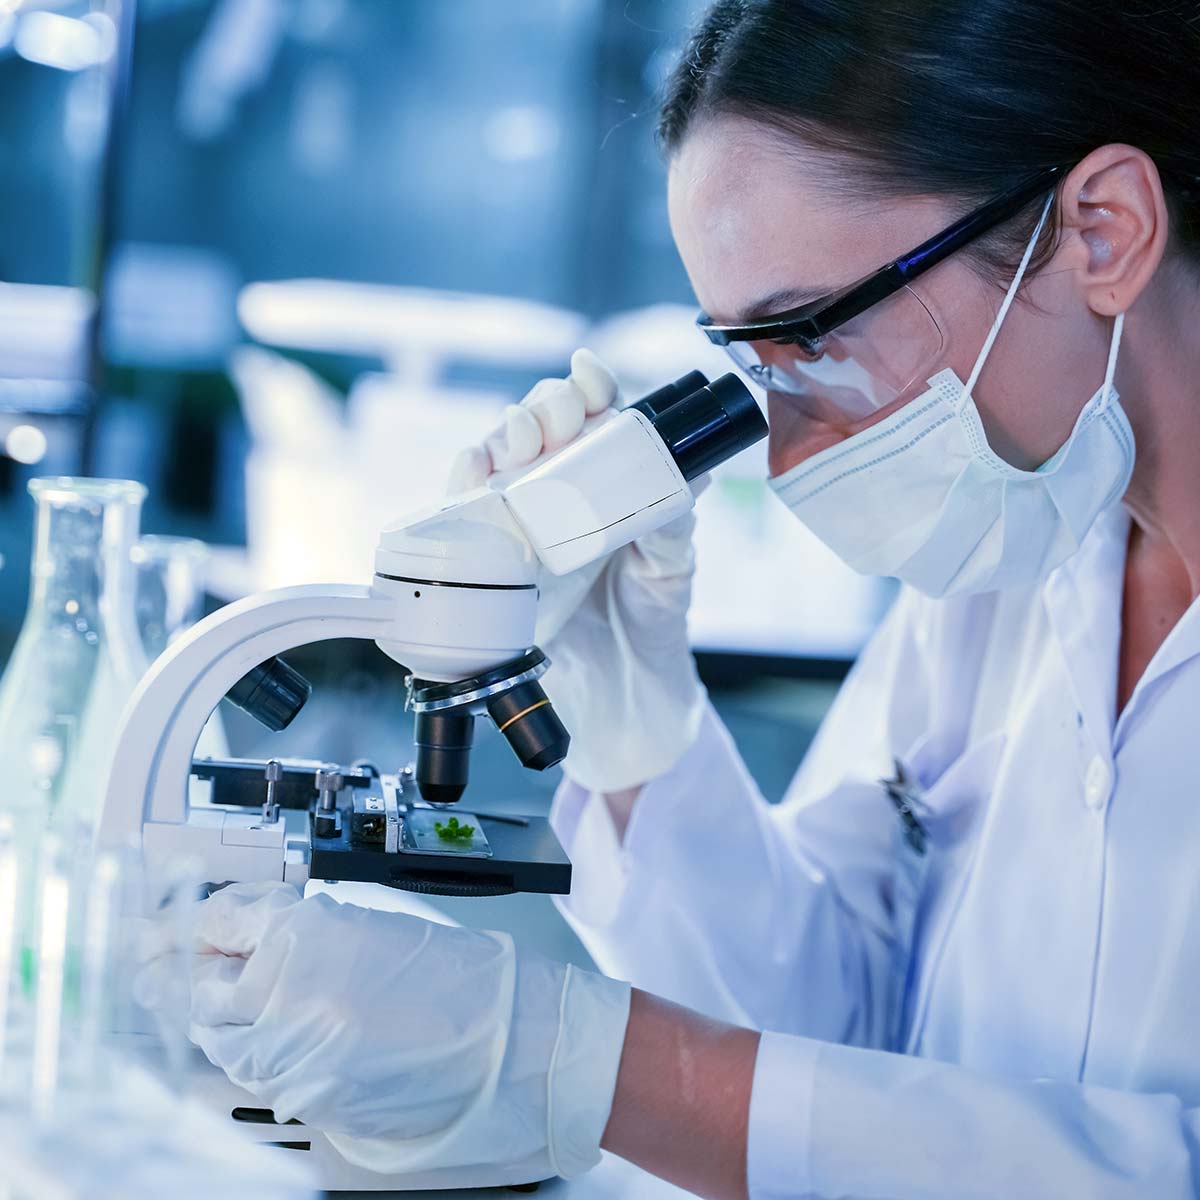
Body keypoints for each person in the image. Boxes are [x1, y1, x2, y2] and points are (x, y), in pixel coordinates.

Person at [143, 1, 1200, 1196]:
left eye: (816, 335)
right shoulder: (1017, 560)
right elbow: (829, 1037)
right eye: (753, 370)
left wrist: (574, 1064)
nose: (790, 459)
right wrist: (638, 726)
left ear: (1102, 232)